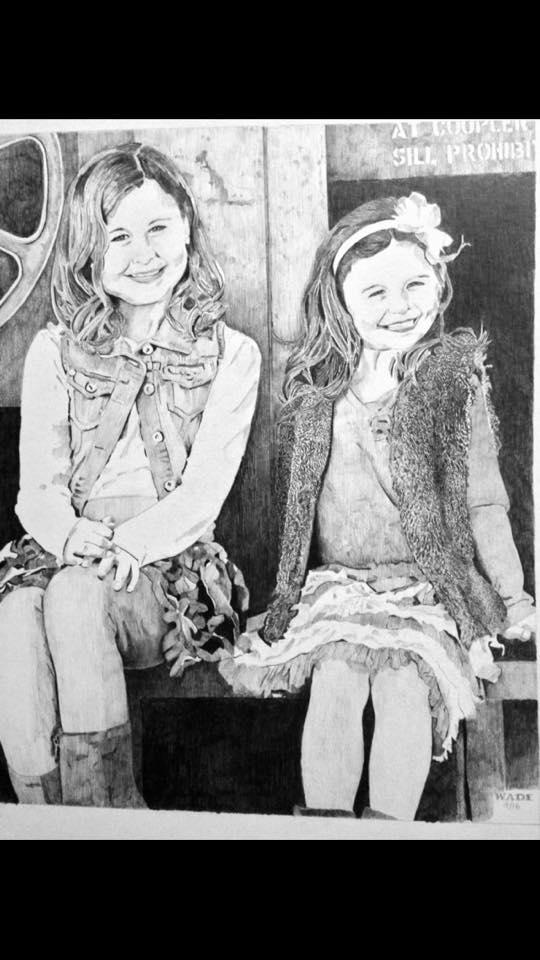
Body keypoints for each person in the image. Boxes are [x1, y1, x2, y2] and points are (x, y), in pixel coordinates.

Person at [221, 191, 536, 821]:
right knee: (336, 679)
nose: (400, 306)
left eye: (415, 285)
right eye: (375, 292)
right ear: (339, 301)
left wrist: (513, 595)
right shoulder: (317, 398)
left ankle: (390, 829)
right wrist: (283, 597)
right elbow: (297, 517)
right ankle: (329, 827)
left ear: (439, 285)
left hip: (427, 591)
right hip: (341, 589)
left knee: (402, 682)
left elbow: (483, 502)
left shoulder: (452, 386)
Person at [0, 142, 261, 808]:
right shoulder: (53, 351)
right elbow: (38, 490)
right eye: (118, 236)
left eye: (158, 229)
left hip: (165, 571)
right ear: (89, 250)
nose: (143, 254)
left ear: (187, 230)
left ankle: (107, 812)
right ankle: (44, 815)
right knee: (16, 618)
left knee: (75, 596)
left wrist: (130, 547)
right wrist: (68, 535)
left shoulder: (231, 355)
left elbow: (202, 496)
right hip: (64, 553)